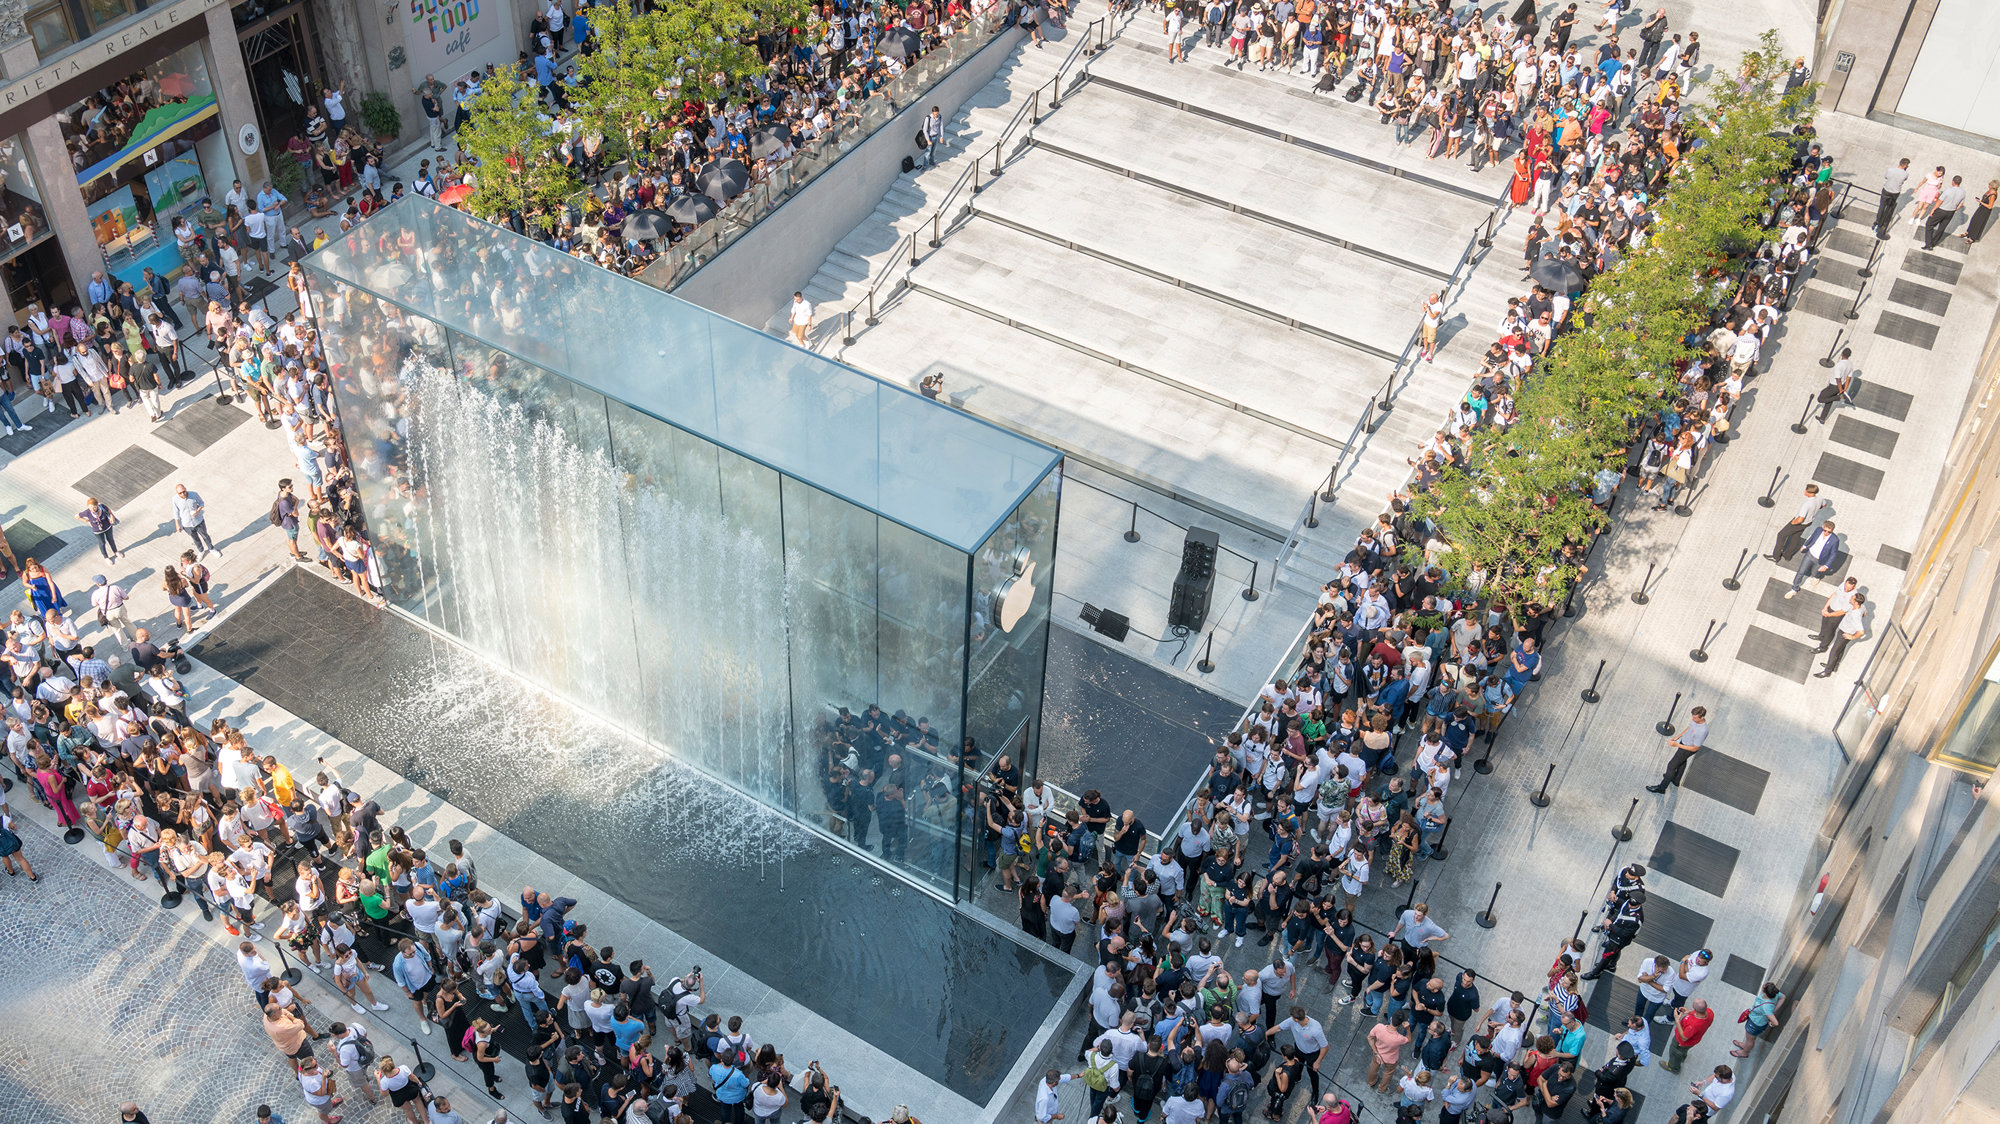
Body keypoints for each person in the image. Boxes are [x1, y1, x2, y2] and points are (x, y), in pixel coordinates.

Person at [1646, 707, 1709, 793]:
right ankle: (1676, 780)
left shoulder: (1702, 731)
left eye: (1695, 718)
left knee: (1671, 766)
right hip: (1684, 743)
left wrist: (1677, 745)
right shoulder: (1696, 721)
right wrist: (1678, 737)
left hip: (1687, 749)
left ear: (1702, 717)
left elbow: (1695, 748)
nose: (1692, 719)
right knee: (1682, 761)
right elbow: (1689, 728)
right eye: (1692, 716)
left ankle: (1661, 788)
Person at [1732, 983, 1783, 1056]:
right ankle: (1745, 1046)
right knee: (1749, 1038)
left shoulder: (1766, 1007)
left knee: (1750, 1040)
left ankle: (1744, 1052)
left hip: (1755, 1024)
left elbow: (1776, 1023)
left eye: (1765, 985)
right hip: (1757, 1021)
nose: (1764, 984)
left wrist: (1771, 1021)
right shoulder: (1775, 993)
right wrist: (1774, 1011)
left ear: (1765, 992)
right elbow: (1783, 997)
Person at [172, 483, 216, 556]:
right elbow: (176, 512)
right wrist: (177, 524)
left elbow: (201, 503)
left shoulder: (194, 495)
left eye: (184, 491)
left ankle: (211, 548)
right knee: (195, 539)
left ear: (185, 489)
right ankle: (201, 551)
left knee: (205, 536)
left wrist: (197, 511)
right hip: (187, 524)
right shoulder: (175, 499)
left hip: (198, 521)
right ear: (177, 493)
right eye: (180, 493)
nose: (183, 494)